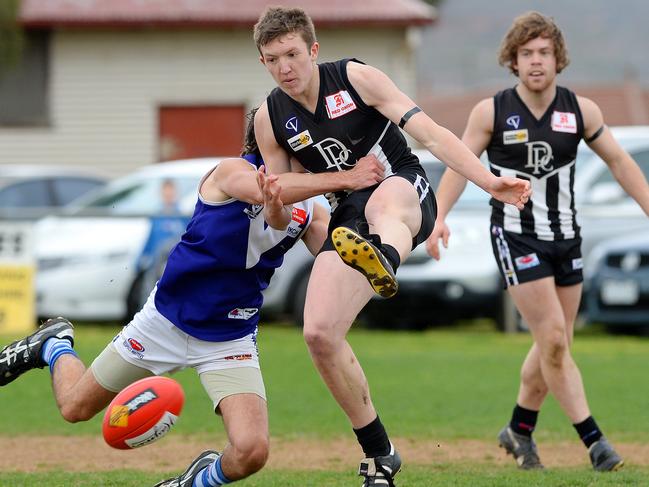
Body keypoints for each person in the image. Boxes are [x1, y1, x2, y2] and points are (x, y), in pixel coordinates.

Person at [0, 110, 383, 487]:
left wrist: (384, 246)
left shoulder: (311, 213)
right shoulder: (231, 171)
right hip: (164, 323)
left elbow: (342, 260)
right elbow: (270, 193)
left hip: (229, 338)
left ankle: (191, 484)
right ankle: (53, 344)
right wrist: (348, 177)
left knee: (251, 452)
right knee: (74, 408)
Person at [252, 6, 531, 486]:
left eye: (293, 54)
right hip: (345, 217)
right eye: (272, 59)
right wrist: (279, 208)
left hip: (403, 190)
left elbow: (432, 135)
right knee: (318, 333)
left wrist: (488, 181)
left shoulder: (356, 78)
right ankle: (380, 453)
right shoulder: (269, 118)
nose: (285, 68)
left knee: (384, 202)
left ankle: (384, 256)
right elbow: (285, 198)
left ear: (313, 50)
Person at [426, 11, 649, 472]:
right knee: (551, 339)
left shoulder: (581, 110)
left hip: (566, 237)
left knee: (557, 344)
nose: (535, 61)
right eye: (526, 53)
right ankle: (595, 442)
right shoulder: (492, 111)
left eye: (544, 52)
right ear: (513, 60)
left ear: (557, 58)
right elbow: (460, 164)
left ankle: (519, 429)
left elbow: (621, 163)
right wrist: (440, 216)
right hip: (515, 233)